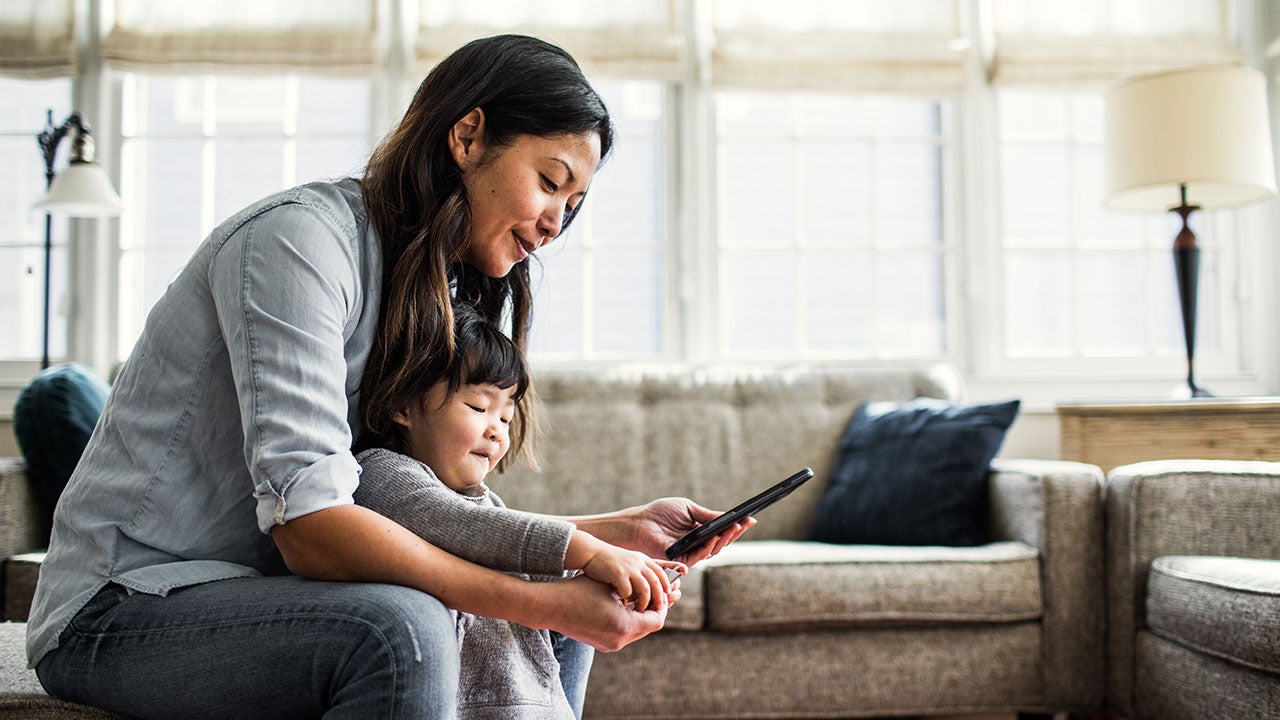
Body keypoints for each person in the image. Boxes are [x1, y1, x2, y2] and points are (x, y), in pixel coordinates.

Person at [26, 33, 752, 719]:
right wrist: (538, 602)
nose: (557, 223)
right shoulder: (298, 243)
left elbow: (410, 507)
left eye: (573, 205)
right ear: (467, 137)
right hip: (124, 605)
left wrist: (617, 535)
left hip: (261, 588)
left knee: (557, 590)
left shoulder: (434, 289)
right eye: (549, 182)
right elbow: (311, 529)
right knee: (400, 628)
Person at [353, 301, 686, 718]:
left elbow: (502, 535)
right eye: (478, 407)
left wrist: (633, 579)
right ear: (402, 406)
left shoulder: (483, 499)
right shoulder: (380, 473)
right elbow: (467, 527)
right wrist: (594, 551)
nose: (496, 430)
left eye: (507, 417)